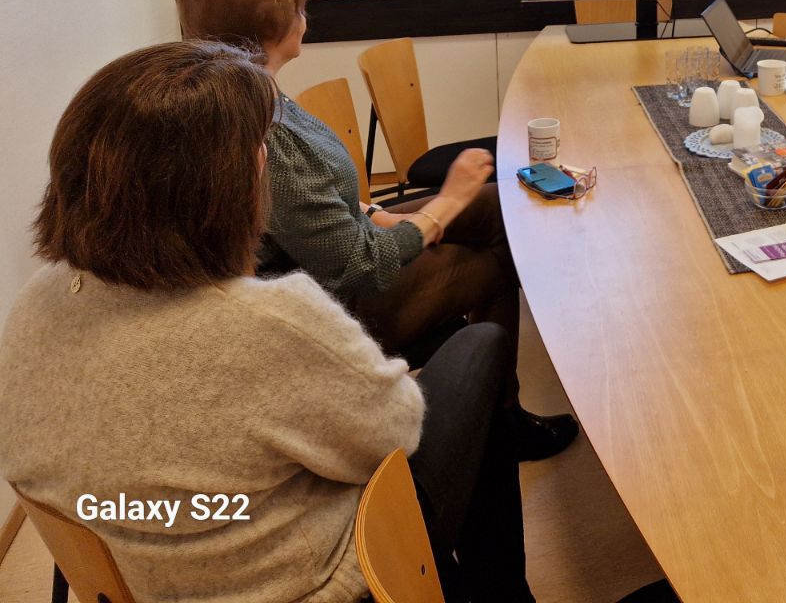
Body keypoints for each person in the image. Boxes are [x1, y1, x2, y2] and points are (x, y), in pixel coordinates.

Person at [0, 41, 535, 602]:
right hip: (305, 583)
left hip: (133, 579)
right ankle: (499, 588)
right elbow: (392, 436)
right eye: (258, 147)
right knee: (479, 345)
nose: (266, 160)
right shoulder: (270, 320)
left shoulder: (38, 299)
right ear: (218, 188)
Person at [176, 0, 577, 462]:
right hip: (335, 306)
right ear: (271, 24)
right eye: (298, 7)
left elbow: (325, 200)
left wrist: (375, 213)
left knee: (500, 207)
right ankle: (500, 423)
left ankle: (499, 399)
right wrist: (444, 205)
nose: (306, 17)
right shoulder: (268, 133)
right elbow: (356, 267)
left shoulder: (255, 91)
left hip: (339, 251)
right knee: (496, 261)